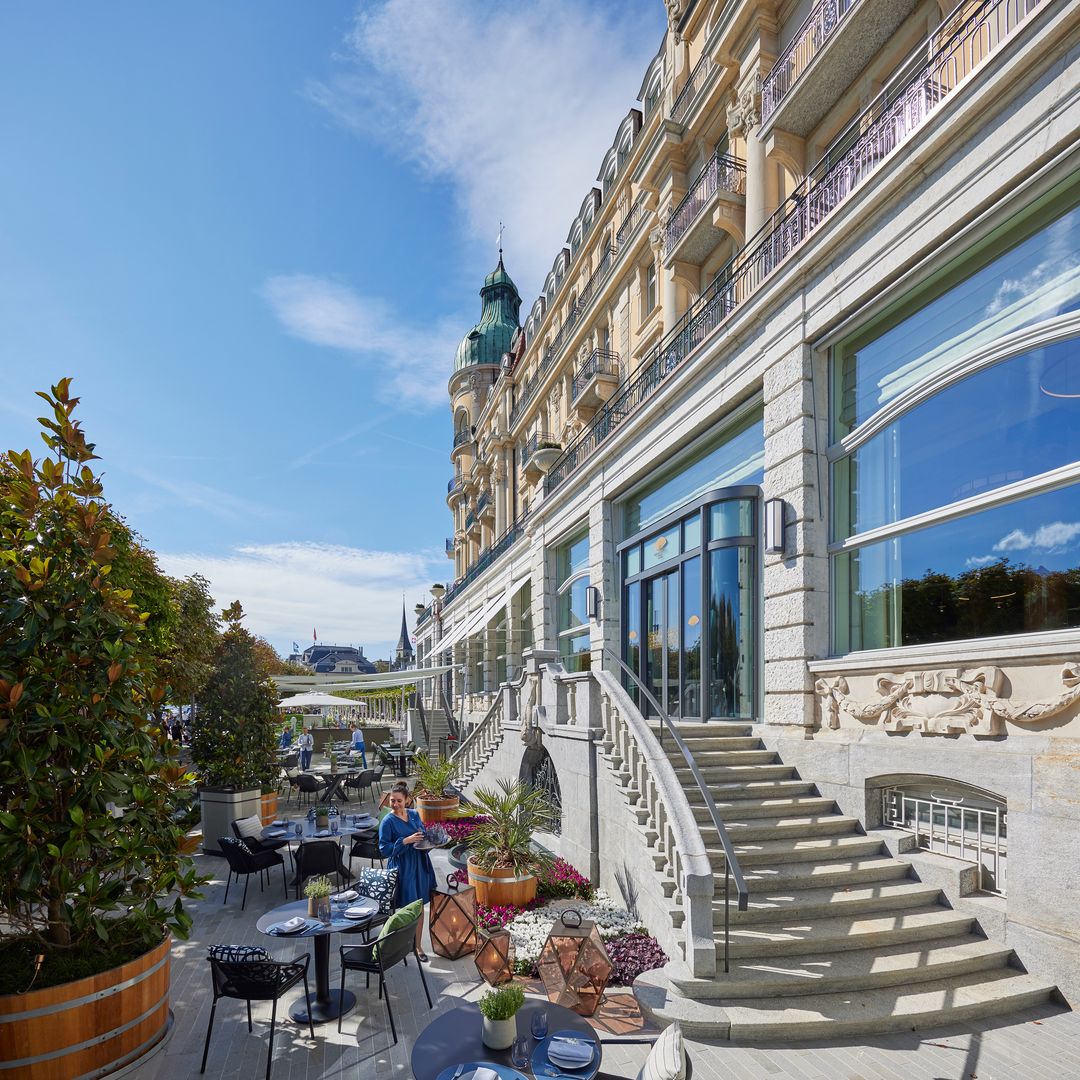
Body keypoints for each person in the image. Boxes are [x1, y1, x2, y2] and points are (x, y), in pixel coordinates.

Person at [378, 782, 435, 961]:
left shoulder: (414, 814)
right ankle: (401, 944)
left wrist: (429, 840)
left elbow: (423, 835)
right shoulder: (387, 821)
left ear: (408, 800)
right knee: (406, 907)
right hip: (402, 867)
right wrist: (405, 841)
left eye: (399, 801)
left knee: (419, 906)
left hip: (419, 863)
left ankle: (418, 946)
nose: (395, 805)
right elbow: (383, 849)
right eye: (392, 801)